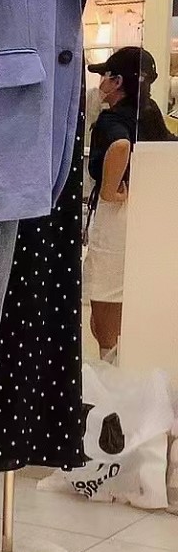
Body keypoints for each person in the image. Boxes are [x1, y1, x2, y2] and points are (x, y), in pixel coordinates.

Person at [83, 46, 174, 361]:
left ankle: (110, 369)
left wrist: (110, 190)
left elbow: (120, 146)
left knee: (105, 304)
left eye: (105, 76)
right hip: (147, 218)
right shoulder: (151, 114)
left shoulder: (111, 120)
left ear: (117, 81)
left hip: (115, 218)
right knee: (133, 299)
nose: (101, 84)